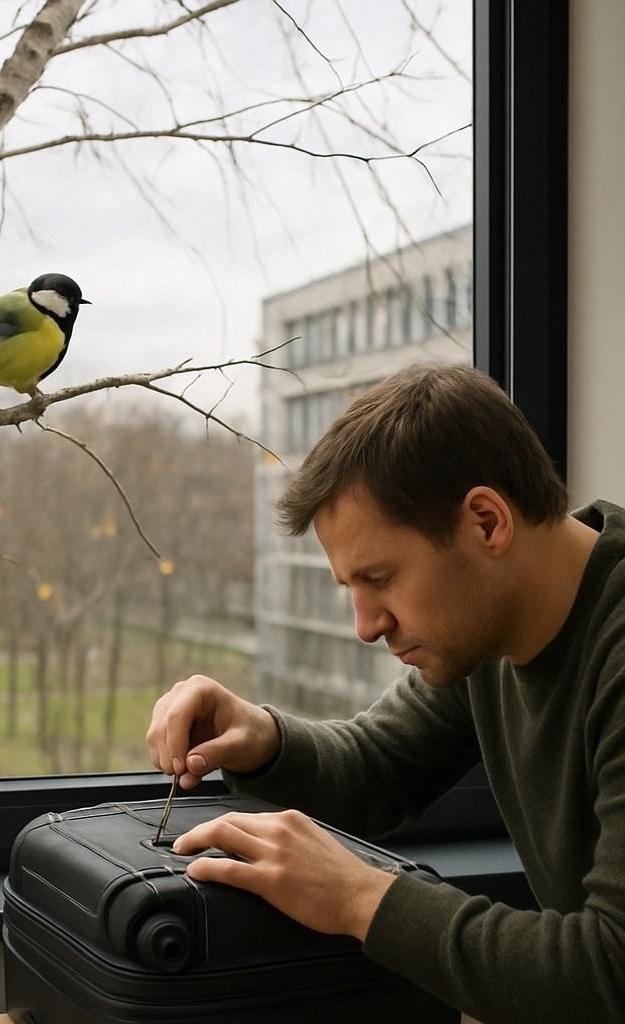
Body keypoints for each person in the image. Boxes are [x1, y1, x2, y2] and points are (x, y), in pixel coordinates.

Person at [146, 363, 625, 1024]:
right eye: (352, 589)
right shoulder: (493, 629)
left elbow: (609, 971)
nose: (367, 627)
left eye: (380, 578)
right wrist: (261, 739)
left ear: (487, 523)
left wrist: (359, 897)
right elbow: (375, 769)